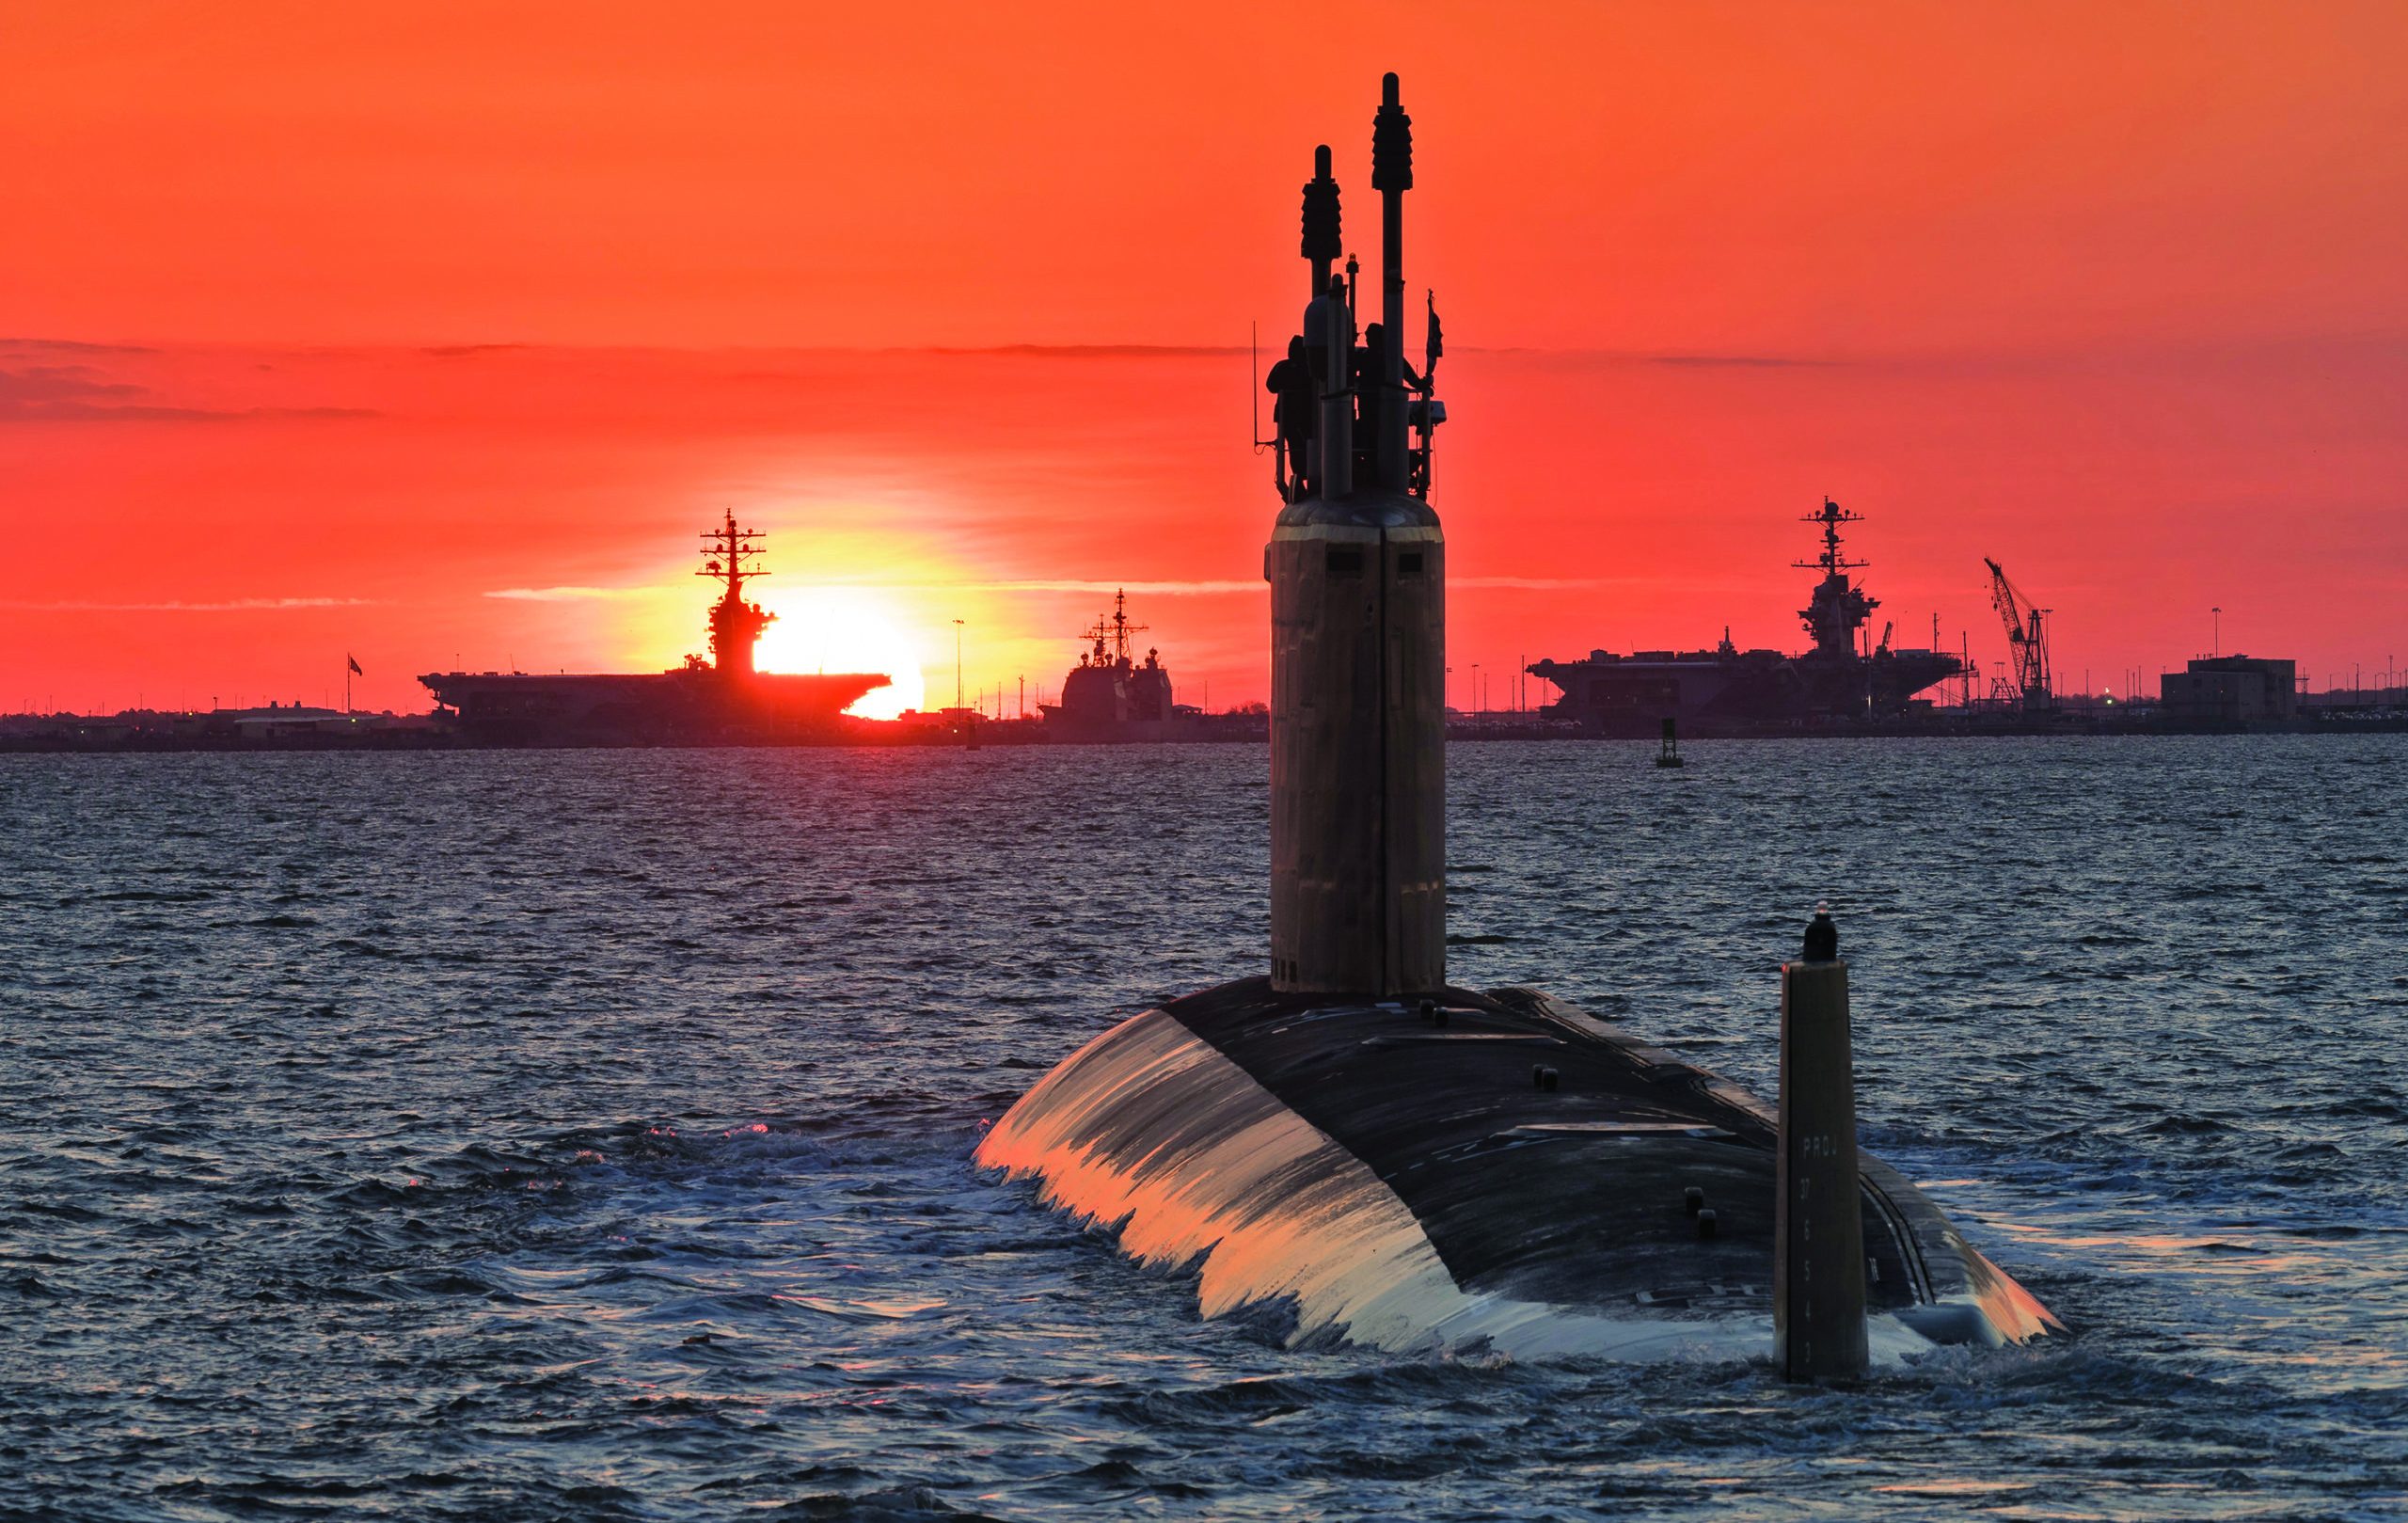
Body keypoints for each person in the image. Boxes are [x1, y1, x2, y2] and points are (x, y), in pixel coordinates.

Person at [1265, 335, 1315, 499]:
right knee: (1300, 448)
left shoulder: (1284, 367)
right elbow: (1271, 386)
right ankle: (1302, 479)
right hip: (1301, 416)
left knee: (1297, 449)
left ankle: (1302, 479)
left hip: (1293, 416)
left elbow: (1271, 386)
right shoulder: (1308, 369)